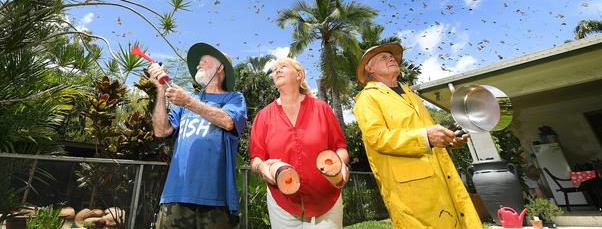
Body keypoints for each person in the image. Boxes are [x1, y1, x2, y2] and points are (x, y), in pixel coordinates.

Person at [353, 43, 482, 228]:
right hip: (411, 191)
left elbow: (428, 133)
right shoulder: (367, 98)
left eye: (391, 56)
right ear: (369, 69)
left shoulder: (411, 94)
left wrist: (448, 139)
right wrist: (426, 137)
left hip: (443, 179)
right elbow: (377, 137)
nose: (390, 58)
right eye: (383, 57)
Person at [148, 42, 247, 229]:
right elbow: (161, 131)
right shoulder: (184, 104)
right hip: (175, 196)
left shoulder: (234, 98)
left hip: (216, 201)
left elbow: (228, 121)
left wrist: (189, 102)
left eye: (203, 61)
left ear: (220, 68)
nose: (198, 65)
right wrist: (160, 90)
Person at [249, 57, 349, 228]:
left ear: (299, 75)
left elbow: (340, 148)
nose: (277, 71)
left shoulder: (322, 109)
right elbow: (256, 158)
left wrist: (339, 165)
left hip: (326, 198)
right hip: (282, 203)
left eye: (283, 67)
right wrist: (262, 167)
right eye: (274, 70)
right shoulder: (263, 116)